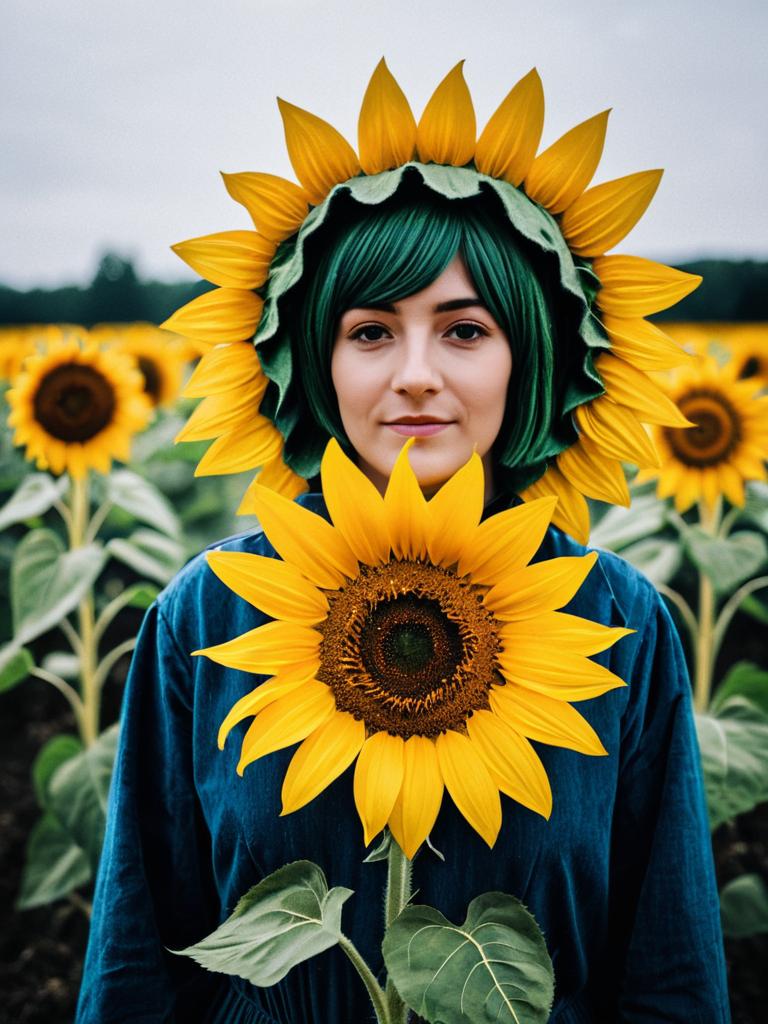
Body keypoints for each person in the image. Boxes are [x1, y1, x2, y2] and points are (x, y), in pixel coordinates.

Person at [76, 63, 730, 1022]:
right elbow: (139, 957)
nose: (415, 375)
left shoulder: (617, 619)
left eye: (464, 330)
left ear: (533, 356)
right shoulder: (209, 613)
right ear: (317, 360)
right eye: (371, 331)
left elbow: (668, 970)